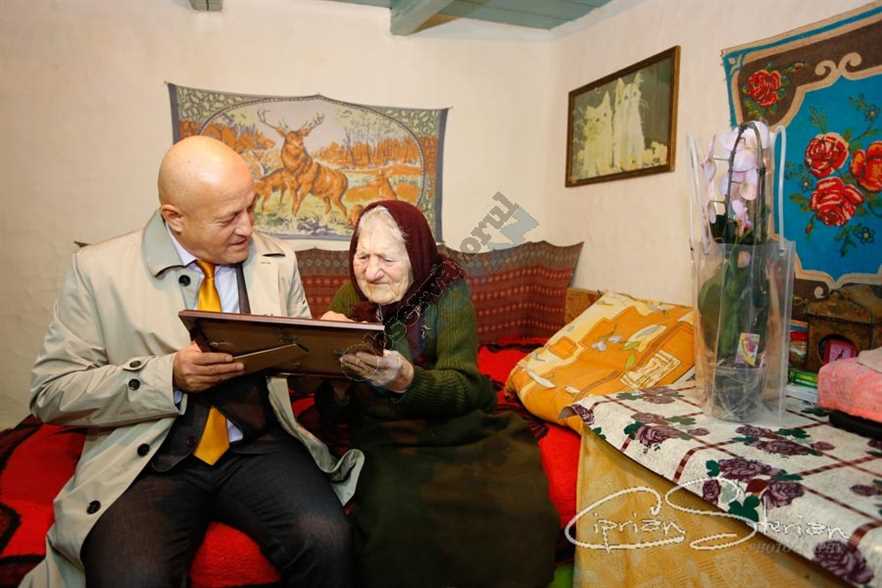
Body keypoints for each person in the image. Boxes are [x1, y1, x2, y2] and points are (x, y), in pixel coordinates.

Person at [24, 136, 362, 588]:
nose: (247, 227)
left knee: (329, 542)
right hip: (149, 457)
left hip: (257, 446)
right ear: (174, 218)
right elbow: (51, 393)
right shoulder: (97, 271)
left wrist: (329, 351)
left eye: (251, 208)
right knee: (133, 579)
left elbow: (295, 377)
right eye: (228, 218)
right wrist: (168, 376)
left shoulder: (277, 261)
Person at [320, 201, 558, 588]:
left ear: (415, 256)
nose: (371, 271)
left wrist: (407, 381)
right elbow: (331, 405)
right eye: (362, 256)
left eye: (386, 259)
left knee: (514, 499)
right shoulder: (350, 297)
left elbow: (464, 384)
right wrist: (338, 382)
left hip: (454, 422)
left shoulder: (446, 292)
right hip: (384, 432)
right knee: (394, 511)